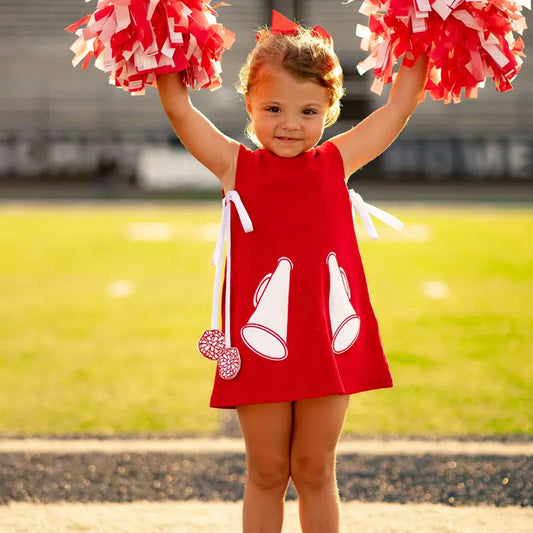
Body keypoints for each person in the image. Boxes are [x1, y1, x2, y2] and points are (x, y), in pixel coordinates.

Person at [157, 11, 428, 533]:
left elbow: (400, 103)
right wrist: (159, 28)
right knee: (266, 469)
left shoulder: (336, 161)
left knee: (313, 469)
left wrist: (422, 26)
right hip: (261, 342)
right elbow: (177, 106)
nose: (289, 124)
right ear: (249, 106)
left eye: (308, 111)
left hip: (329, 336)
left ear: (329, 111)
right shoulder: (235, 166)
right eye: (273, 108)